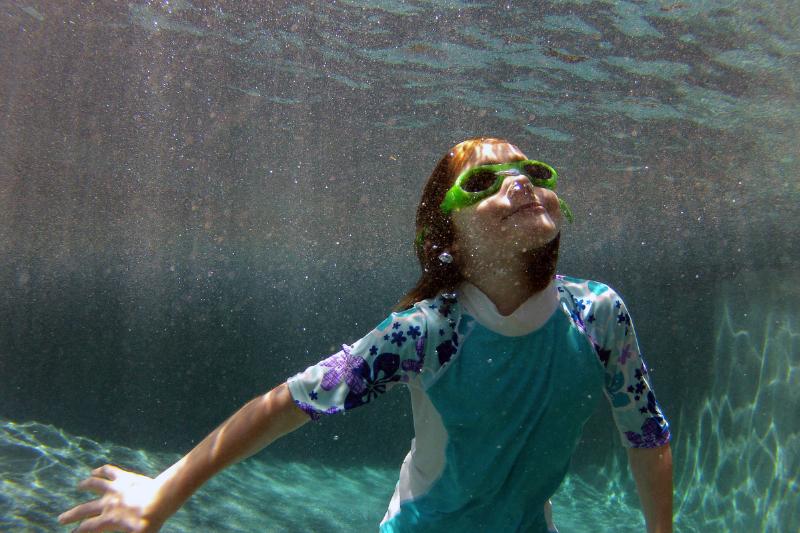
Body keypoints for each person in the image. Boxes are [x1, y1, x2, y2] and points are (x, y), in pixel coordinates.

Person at [59, 138, 673, 532]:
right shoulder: (430, 333)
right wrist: (164, 492)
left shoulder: (597, 314)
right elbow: (289, 402)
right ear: (449, 237)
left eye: (528, 170)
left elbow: (646, 434)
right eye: (483, 182)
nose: (519, 183)